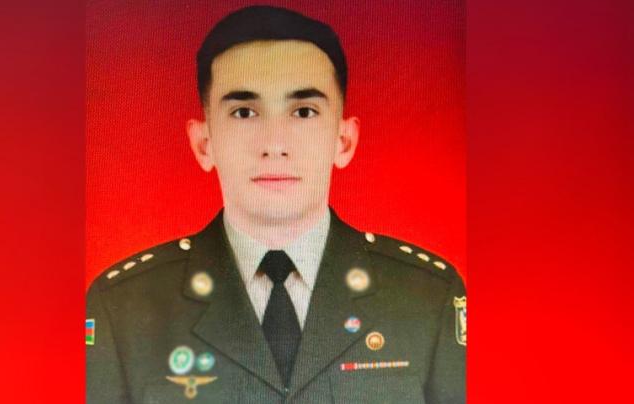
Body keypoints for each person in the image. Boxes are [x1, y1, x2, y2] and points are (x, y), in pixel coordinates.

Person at [87, 5, 465, 403]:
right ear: (204, 143)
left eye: (303, 112)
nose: (274, 145)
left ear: (344, 141)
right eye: (244, 112)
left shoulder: (427, 297)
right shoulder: (121, 309)